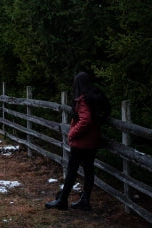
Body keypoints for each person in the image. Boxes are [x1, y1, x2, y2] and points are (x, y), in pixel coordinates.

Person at [45, 71, 110, 211]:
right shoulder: (96, 97)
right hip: (92, 141)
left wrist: (72, 134)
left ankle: (62, 200)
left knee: (72, 171)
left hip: (81, 142)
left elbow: (85, 120)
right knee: (88, 170)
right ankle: (85, 200)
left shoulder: (83, 100)